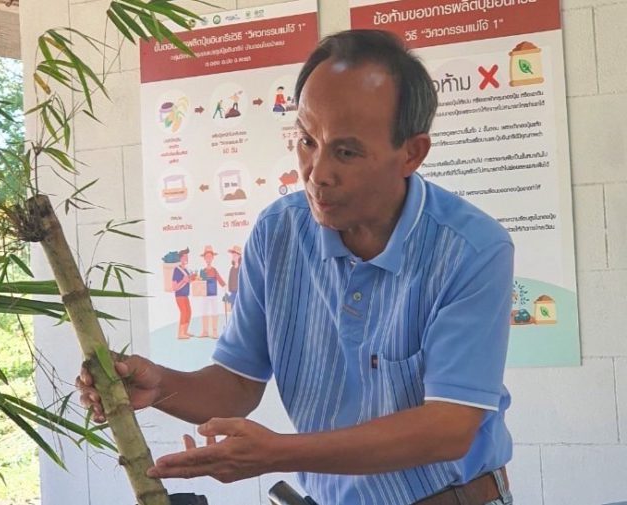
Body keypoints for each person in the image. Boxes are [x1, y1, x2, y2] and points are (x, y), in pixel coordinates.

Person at [79, 30, 514, 505]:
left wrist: (276, 454)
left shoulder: (472, 249)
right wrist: (161, 386)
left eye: (346, 152)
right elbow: (237, 385)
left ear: (412, 153)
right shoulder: (278, 233)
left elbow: (448, 428)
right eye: (307, 141)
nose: (317, 173)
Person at [199, 245, 226, 338]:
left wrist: (224, 286)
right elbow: (199, 282)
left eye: (210, 257)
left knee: (214, 312)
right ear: (204, 258)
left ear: (213, 258)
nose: (208, 259)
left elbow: (220, 279)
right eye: (207, 257)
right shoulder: (202, 271)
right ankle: (205, 331)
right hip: (205, 295)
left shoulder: (214, 270)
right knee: (204, 312)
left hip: (213, 295)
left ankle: (214, 331)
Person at [170, 248, 195, 339]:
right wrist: (183, 280)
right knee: (184, 312)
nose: (186, 258)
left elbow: (187, 281)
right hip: (179, 295)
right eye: (184, 257)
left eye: (187, 257)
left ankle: (185, 331)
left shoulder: (186, 270)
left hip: (185, 295)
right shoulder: (177, 270)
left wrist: (192, 279)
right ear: (180, 258)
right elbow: (174, 287)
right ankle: (180, 334)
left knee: (189, 312)